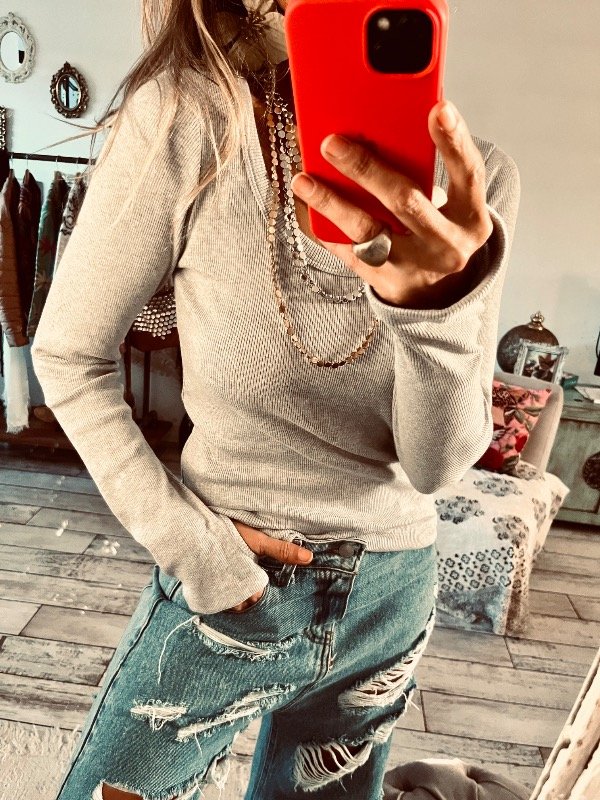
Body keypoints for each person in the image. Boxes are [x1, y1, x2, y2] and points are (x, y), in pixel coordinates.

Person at [30, 0, 520, 798]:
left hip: (391, 599)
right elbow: (68, 353)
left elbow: (436, 468)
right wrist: (190, 544)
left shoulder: (480, 187)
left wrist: (435, 311)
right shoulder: (189, 119)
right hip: (233, 587)